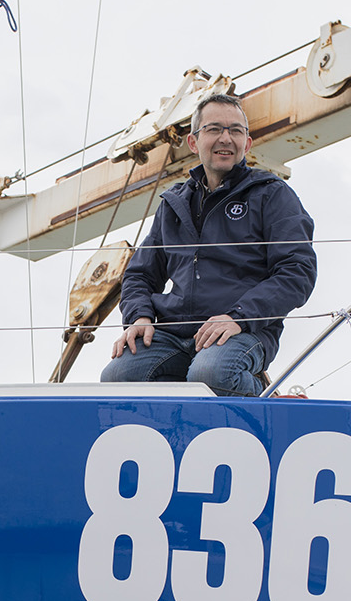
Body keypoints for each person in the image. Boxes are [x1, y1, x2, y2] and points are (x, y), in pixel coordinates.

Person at [102, 92, 317, 396]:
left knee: (211, 372)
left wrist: (239, 317)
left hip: (242, 329)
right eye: (214, 129)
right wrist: (139, 316)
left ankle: (261, 396)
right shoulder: (174, 204)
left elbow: (298, 271)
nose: (225, 138)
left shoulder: (272, 195)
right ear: (193, 142)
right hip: (174, 332)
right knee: (118, 376)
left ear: (248, 143)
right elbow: (140, 274)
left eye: (236, 130)